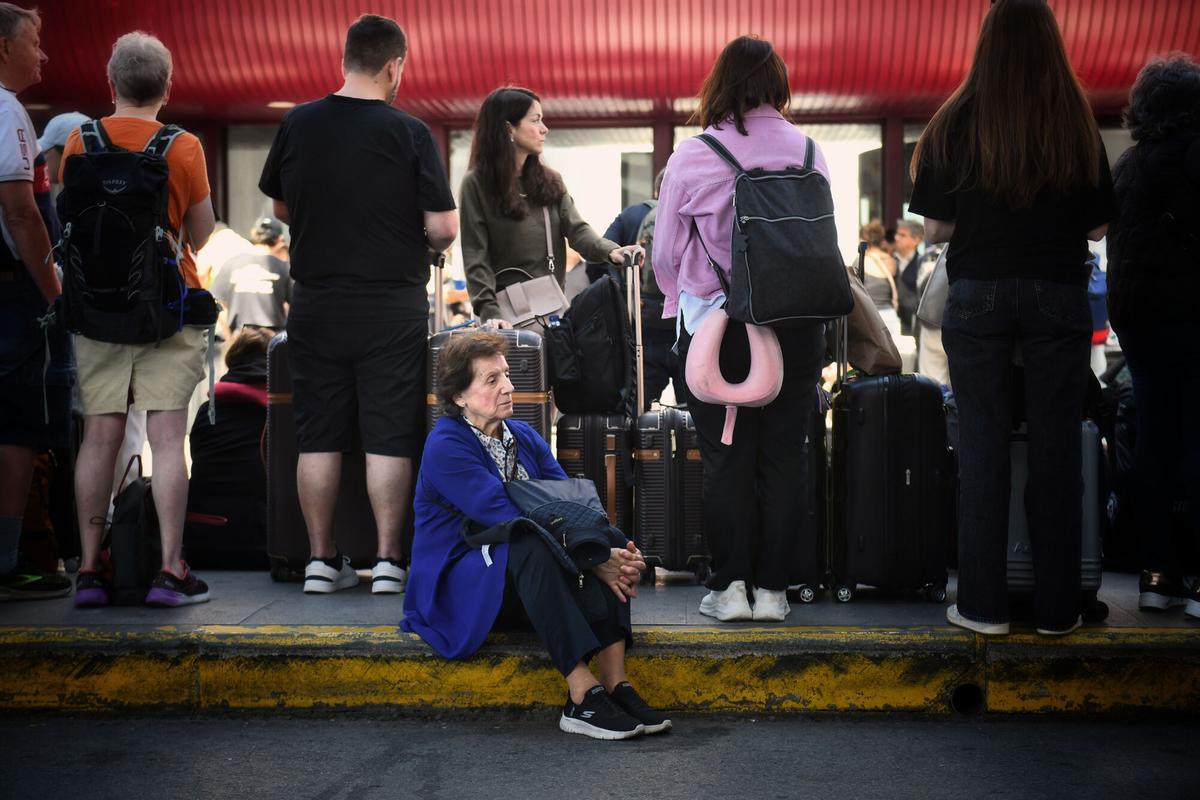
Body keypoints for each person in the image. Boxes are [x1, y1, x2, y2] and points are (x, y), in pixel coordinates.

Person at [909, 0, 1114, 636]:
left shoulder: (957, 118)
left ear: (986, 44)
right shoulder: (1073, 119)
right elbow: (1099, 224)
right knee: (1057, 452)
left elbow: (937, 225)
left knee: (982, 450)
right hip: (1057, 291)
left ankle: (983, 606)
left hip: (981, 293)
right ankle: (1057, 609)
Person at [259, 14, 458, 595]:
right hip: (390, 306)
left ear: (344, 59)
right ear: (394, 65)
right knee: (388, 434)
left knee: (316, 433)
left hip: (317, 302)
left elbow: (282, 207)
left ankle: (321, 561)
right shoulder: (410, 132)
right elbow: (443, 229)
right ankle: (390, 562)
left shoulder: (298, 123)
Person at [403, 331, 669, 739]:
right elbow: (508, 517)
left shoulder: (523, 435)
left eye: (506, 375)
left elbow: (570, 504)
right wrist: (596, 563)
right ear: (459, 396)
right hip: (461, 581)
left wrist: (606, 551)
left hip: (521, 572)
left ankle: (617, 685)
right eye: (491, 380)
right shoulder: (445, 446)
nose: (509, 387)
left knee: (609, 535)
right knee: (531, 542)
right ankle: (581, 697)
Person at [652, 35, 829, 622]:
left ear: (720, 84)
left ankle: (730, 589)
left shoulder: (694, 154)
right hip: (798, 328)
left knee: (726, 457)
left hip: (719, 334)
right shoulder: (809, 151)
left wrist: (679, 302)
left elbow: (665, 257)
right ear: (778, 84)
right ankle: (776, 592)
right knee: (786, 456)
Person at [65, 32, 217, 607]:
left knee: (99, 435)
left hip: (98, 310)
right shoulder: (183, 147)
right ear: (167, 86)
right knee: (167, 436)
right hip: (167, 309)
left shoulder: (80, 141)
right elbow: (200, 234)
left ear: (110, 84)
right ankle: (171, 568)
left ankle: (87, 570)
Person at [1106, 54, 1200, 618]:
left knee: (1153, 443)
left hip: (1138, 323)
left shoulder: (1128, 166)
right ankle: (1196, 581)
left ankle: (1155, 575)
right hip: (1192, 320)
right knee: (1196, 442)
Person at [459, 86, 641, 324]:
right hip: (503, 316)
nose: (544, 129)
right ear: (508, 128)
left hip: (550, 310)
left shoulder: (549, 180)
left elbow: (577, 230)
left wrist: (611, 250)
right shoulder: (476, 184)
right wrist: (489, 313)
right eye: (535, 121)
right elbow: (476, 257)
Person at [0, 3, 72, 600]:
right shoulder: (6, 110)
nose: (43, 54)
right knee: (17, 424)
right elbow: (22, 212)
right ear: (4, 48)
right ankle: (10, 559)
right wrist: (54, 292)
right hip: (11, 291)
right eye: (35, 41)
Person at [209, 216, 292, 337]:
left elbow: (216, 303)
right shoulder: (283, 268)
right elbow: (295, 306)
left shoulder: (231, 264)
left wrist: (230, 338)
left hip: (239, 340)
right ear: (280, 240)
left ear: (253, 234)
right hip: (272, 341)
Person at [859, 219, 902, 341]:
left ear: (863, 239)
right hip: (890, 316)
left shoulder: (861, 261)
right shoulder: (892, 261)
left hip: (870, 317)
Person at [894, 219, 925, 335]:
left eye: (902, 235)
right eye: (897, 234)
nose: (896, 238)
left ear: (916, 240)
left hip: (912, 330)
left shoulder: (923, 265)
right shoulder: (888, 262)